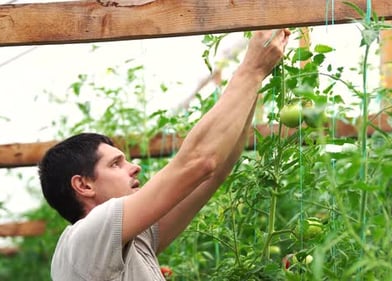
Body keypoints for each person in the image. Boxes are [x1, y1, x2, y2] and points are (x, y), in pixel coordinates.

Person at [38, 28, 290, 281]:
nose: (134, 168)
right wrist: (252, 69)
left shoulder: (136, 240)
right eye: (116, 164)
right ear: (83, 185)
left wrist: (258, 78)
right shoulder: (84, 239)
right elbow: (198, 162)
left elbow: (214, 170)